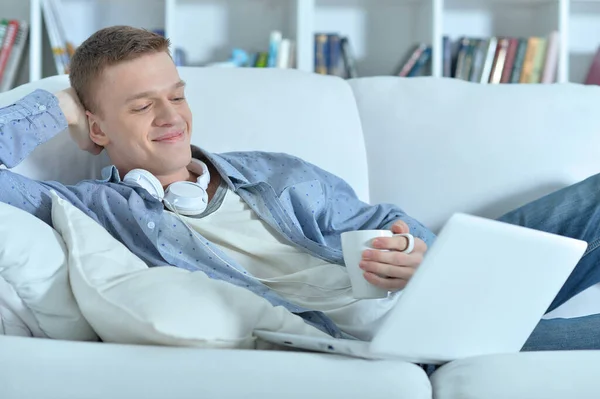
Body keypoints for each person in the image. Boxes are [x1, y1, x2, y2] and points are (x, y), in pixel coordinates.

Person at [1, 26, 599, 350]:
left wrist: (416, 253)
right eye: (141, 105)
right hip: (373, 327)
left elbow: (380, 217)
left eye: (177, 95)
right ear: (98, 127)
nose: (171, 116)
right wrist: (51, 106)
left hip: (433, 284)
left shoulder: (272, 170)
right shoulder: (98, 211)